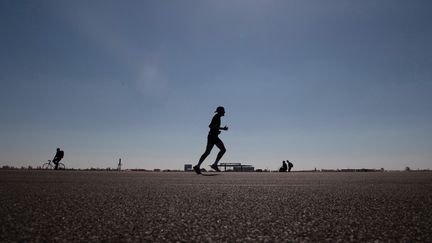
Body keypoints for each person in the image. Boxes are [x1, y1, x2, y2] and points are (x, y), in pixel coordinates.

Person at [194, 106, 228, 174]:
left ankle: (198, 166)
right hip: (213, 137)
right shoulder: (217, 117)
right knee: (223, 150)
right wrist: (222, 129)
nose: (224, 112)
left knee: (207, 152)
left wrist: (218, 130)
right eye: (223, 111)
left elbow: (213, 127)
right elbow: (210, 126)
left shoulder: (217, 117)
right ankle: (214, 165)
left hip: (211, 136)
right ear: (220, 111)